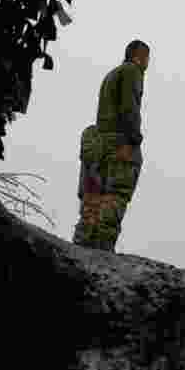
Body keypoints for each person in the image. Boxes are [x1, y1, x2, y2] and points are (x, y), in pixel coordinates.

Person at [72, 39, 149, 252]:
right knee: (114, 197)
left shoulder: (111, 74)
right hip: (119, 143)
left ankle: (82, 247)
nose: (147, 64)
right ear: (140, 56)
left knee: (92, 201)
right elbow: (129, 107)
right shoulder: (132, 71)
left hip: (99, 143)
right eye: (147, 58)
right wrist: (134, 139)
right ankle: (102, 251)